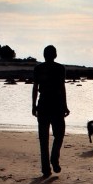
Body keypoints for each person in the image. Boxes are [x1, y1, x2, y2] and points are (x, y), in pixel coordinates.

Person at [32, 45, 70, 176]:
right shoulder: (60, 68)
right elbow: (62, 87)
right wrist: (65, 105)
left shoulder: (38, 68)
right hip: (57, 105)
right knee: (59, 135)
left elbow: (35, 88)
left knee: (43, 139)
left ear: (44, 55)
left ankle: (46, 169)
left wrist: (33, 105)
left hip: (43, 104)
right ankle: (54, 158)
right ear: (55, 55)